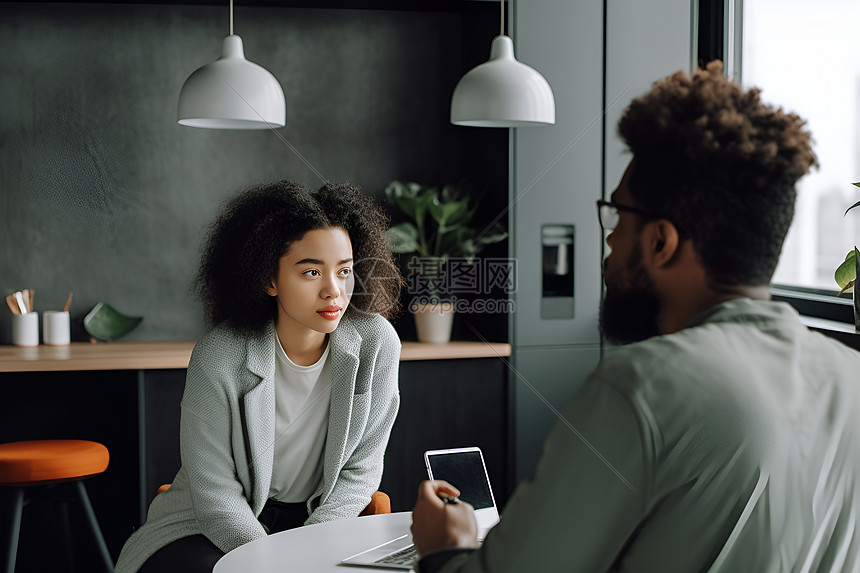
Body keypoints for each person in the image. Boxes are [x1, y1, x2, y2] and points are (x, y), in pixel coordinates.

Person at [411, 61, 860, 572]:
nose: (609, 237)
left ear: (660, 241)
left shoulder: (642, 385)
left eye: (617, 215)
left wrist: (447, 548)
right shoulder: (852, 380)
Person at [116, 180, 403, 573]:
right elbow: (216, 493)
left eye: (345, 271)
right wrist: (272, 561)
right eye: (311, 272)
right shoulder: (219, 355)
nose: (333, 290)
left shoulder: (376, 343)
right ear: (269, 279)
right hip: (208, 526)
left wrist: (312, 544)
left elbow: (362, 469)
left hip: (319, 522)